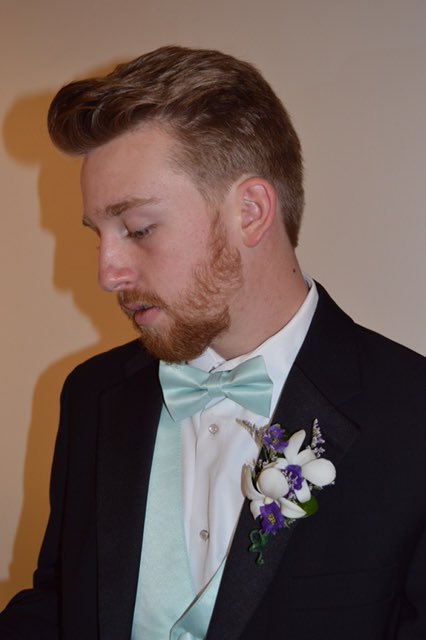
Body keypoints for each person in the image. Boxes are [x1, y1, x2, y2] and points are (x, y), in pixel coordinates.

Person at [0, 45, 425, 640]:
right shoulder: (91, 395)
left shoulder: (412, 415)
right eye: (99, 234)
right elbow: (61, 604)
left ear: (250, 211)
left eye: (138, 229)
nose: (107, 274)